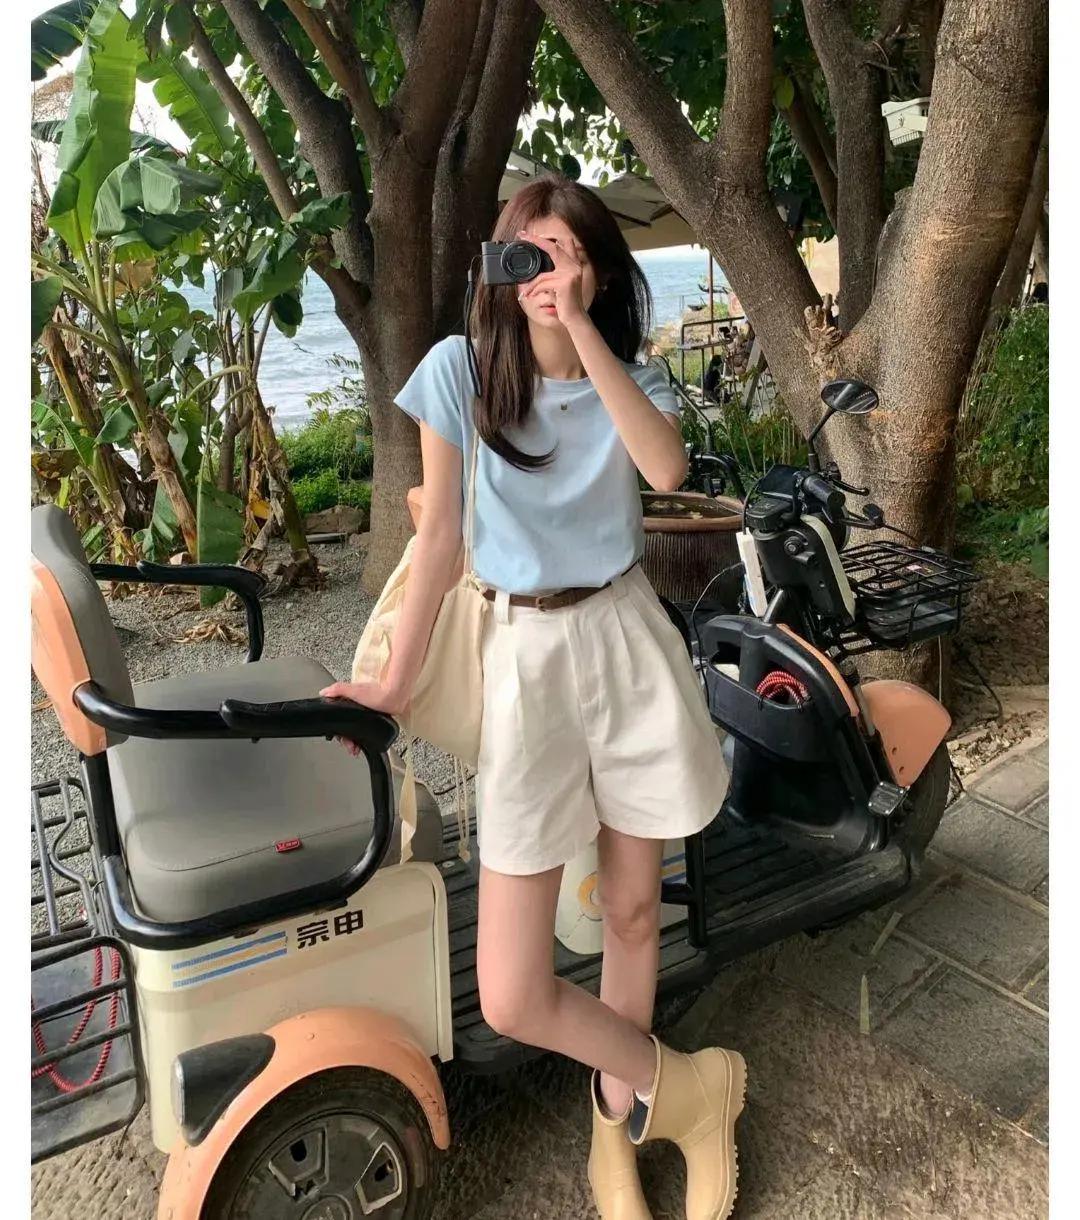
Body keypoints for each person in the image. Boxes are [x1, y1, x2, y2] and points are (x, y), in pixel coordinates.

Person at [321, 176, 744, 1220]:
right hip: (526, 657)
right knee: (513, 990)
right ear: (496, 268)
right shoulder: (457, 373)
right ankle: (687, 1087)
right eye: (527, 255)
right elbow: (437, 541)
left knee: (631, 910)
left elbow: (666, 466)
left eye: (566, 256)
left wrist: (586, 331)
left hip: (623, 636)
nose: (543, 277)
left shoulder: (622, 373)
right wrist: (392, 680)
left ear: (596, 270)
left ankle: (617, 1130)